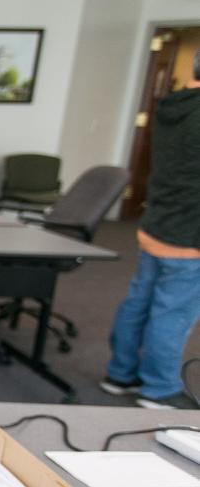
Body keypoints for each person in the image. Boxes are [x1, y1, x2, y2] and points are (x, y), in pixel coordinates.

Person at [102, 50, 200, 410]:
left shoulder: (174, 107)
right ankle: (159, 388)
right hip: (190, 234)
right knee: (172, 311)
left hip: (158, 223)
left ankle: (120, 374)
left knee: (140, 302)